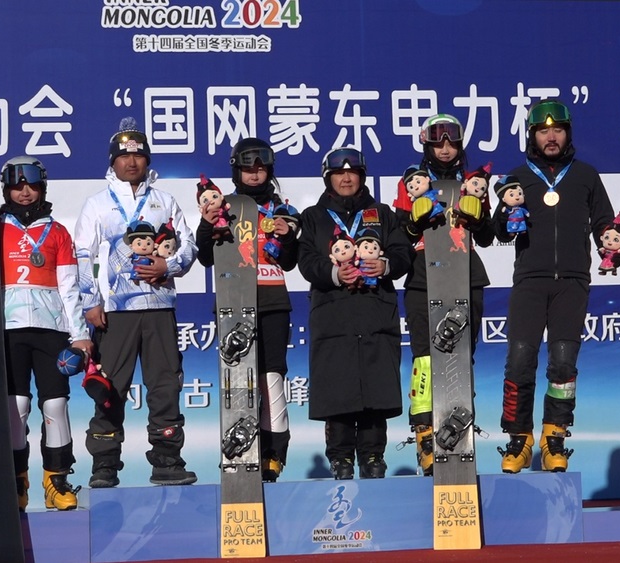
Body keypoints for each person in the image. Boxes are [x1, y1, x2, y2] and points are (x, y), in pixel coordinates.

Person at [0, 156, 93, 511]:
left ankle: (56, 481)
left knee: (56, 404)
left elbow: (69, 287)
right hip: (7, 328)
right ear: (5, 189)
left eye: (32, 185)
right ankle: (16, 480)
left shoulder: (57, 232)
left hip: (50, 328)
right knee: (17, 406)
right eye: (17, 186)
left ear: (42, 187)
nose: (25, 192)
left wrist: (79, 334)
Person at [493, 99, 616, 473]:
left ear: (568, 134)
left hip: (572, 283)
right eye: (543, 131)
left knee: (563, 363)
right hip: (530, 282)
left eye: (558, 130)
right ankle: (519, 439)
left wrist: (611, 239)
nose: (551, 137)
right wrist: (505, 215)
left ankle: (554, 438)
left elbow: (605, 222)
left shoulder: (586, 175)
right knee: (519, 361)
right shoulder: (517, 177)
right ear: (532, 136)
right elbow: (499, 232)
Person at [75, 117, 198, 487]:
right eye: (124, 157)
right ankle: (104, 465)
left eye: (139, 156)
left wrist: (168, 265)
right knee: (109, 387)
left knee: (165, 385)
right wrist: (90, 302)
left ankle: (167, 461)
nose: (131, 162)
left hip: (159, 307)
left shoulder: (165, 201)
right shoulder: (97, 204)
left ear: (147, 160)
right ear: (112, 162)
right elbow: (83, 255)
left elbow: (188, 246)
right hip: (115, 312)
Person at [298, 147, 412, 479]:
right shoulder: (314, 216)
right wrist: (335, 273)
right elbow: (305, 260)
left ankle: (374, 455)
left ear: (362, 176)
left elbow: (403, 252)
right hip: (333, 314)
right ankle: (340, 458)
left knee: (376, 388)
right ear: (328, 178)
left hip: (375, 311)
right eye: (338, 173)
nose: (346, 178)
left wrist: (385, 265)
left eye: (352, 173)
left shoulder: (382, 213)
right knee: (339, 388)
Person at [392, 114, 495, 475]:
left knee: (462, 358)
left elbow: (487, 236)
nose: (446, 149)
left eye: (452, 143)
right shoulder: (412, 181)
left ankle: (460, 433)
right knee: (425, 359)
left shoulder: (473, 181)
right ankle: (424, 435)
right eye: (439, 143)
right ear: (427, 145)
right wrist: (414, 222)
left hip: (466, 275)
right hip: (423, 277)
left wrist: (477, 217)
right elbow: (399, 236)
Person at [196, 138, 299, 482]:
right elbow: (205, 256)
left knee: (271, 378)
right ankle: (239, 450)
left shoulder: (280, 207)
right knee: (238, 380)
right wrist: (208, 225)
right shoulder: (223, 205)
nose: (254, 174)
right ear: (236, 170)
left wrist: (287, 237)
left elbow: (290, 261)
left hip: (272, 301)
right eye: (247, 168)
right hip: (234, 303)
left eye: (260, 168)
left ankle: (273, 454)